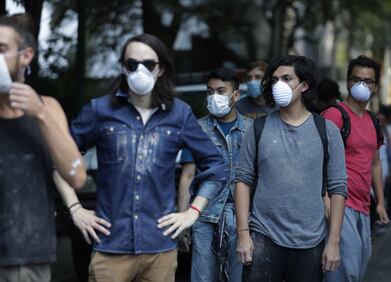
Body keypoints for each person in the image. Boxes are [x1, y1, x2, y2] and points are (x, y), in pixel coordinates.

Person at [55, 34, 227, 282]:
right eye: (132, 64)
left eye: (148, 64)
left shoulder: (179, 114)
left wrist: (192, 212)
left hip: (161, 250)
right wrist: (75, 209)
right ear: (123, 68)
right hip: (111, 248)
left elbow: (216, 166)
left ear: (160, 70)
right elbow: (58, 159)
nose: (140, 70)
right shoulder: (99, 110)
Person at [235, 55, 347, 281]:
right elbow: (242, 181)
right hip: (263, 236)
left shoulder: (327, 131)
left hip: (311, 240)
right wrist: (243, 235)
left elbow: (338, 189)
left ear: (304, 85)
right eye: (275, 80)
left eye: (287, 78)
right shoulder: (257, 128)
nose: (279, 85)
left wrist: (333, 242)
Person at [0, 14, 87, 282]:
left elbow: (76, 176)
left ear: (26, 56)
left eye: (1, 49)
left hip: (29, 255)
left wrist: (40, 114)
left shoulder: (47, 108)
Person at [178, 68, 252, 281]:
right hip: (205, 216)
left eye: (221, 91)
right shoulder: (196, 128)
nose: (214, 97)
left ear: (235, 95)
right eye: (210, 91)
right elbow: (187, 177)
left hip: (243, 219)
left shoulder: (252, 129)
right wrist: (183, 219)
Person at [322, 55, 389, 282]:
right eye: (356, 79)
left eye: (368, 81)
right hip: (341, 203)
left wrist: (380, 201)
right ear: (348, 82)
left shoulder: (373, 120)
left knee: (358, 268)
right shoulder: (335, 115)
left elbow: (375, 163)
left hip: (363, 205)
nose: (361, 85)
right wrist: (325, 198)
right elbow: (318, 159)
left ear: (376, 87)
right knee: (343, 273)